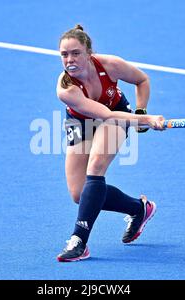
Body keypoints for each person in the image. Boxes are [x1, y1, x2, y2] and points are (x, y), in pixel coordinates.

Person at [56, 24, 166, 262]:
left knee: (95, 168)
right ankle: (139, 209)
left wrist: (140, 110)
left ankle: (79, 241)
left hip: (117, 112)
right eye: (64, 54)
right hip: (82, 122)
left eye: (75, 53)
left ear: (88, 54)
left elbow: (142, 80)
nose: (69, 59)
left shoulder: (110, 65)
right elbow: (102, 115)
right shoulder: (66, 89)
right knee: (79, 193)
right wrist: (146, 119)